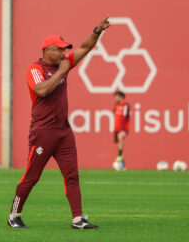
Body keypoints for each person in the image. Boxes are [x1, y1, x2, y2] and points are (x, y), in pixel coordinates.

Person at [7, 16, 111, 229]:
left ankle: (78, 219)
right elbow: (41, 90)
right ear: (47, 50)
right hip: (43, 132)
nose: (64, 54)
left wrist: (97, 31)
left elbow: (85, 48)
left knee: (72, 175)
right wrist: (63, 71)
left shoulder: (63, 64)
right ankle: (14, 216)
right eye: (59, 50)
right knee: (32, 176)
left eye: (65, 50)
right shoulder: (35, 69)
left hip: (64, 132)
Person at [113, 91, 130, 167]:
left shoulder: (125, 105)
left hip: (123, 128)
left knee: (120, 137)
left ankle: (120, 155)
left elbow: (125, 116)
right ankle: (122, 164)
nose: (115, 98)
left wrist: (122, 128)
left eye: (116, 97)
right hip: (116, 128)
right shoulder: (116, 105)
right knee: (118, 145)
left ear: (121, 97)